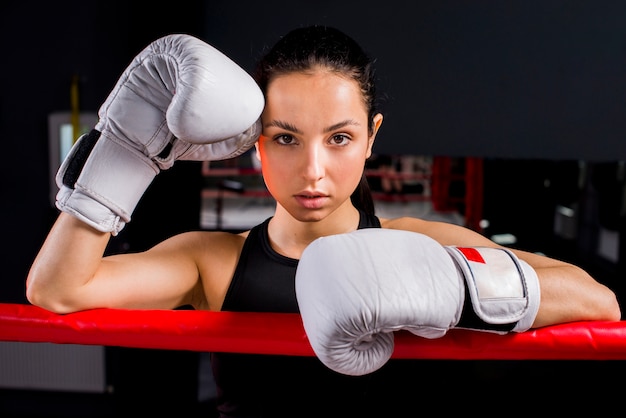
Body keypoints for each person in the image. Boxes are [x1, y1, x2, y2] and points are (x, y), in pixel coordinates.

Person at [26, 26, 621, 416]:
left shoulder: (415, 243)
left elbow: (598, 302)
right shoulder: (212, 261)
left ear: (371, 140)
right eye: (285, 138)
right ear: (256, 145)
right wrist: (125, 150)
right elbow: (57, 289)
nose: (313, 170)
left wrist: (453, 286)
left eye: (339, 138)